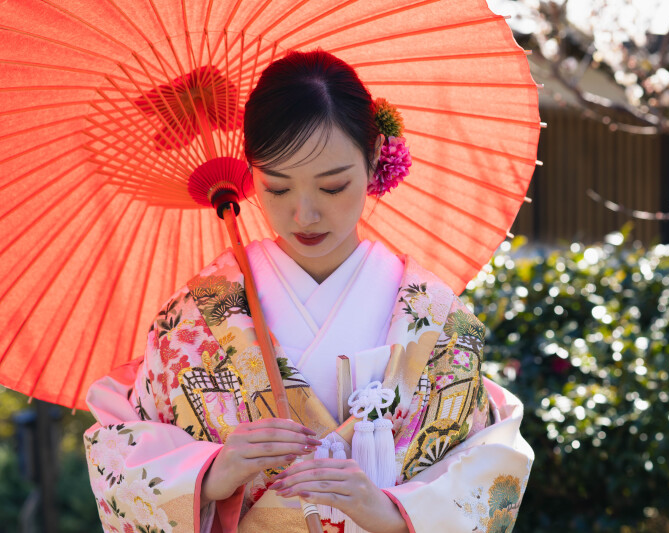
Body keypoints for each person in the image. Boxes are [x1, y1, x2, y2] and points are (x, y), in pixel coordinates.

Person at [83, 49, 533, 533]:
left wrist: (389, 514)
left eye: (333, 186)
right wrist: (212, 473)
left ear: (376, 153)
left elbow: (486, 472)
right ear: (251, 171)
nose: (305, 215)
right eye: (277, 189)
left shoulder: (438, 321)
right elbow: (120, 454)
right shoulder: (195, 319)